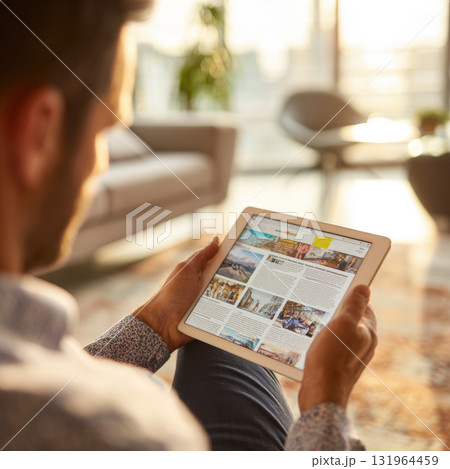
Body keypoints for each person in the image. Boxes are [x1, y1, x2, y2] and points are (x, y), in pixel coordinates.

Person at [0, 0, 377, 450]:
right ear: (38, 133)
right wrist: (325, 406)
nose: (99, 165)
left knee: (214, 327)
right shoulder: (121, 429)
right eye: (106, 132)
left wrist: (158, 323)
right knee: (214, 337)